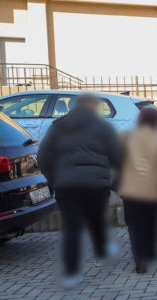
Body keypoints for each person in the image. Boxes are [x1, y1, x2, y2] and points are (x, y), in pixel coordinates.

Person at [37, 94, 122, 288]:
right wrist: (112, 177)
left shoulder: (58, 127)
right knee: (97, 220)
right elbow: (118, 156)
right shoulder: (103, 127)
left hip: (67, 186)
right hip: (96, 185)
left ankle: (71, 273)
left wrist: (53, 178)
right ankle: (101, 254)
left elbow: (42, 156)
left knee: (72, 228)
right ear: (93, 108)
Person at [118, 107, 157, 274]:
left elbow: (116, 161)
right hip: (152, 189)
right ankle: (150, 251)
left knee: (135, 226)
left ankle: (140, 260)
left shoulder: (125, 137)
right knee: (151, 222)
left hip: (130, 189)